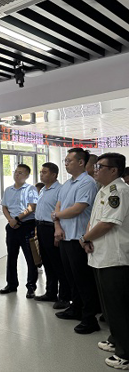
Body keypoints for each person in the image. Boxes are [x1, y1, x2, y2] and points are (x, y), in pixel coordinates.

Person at [81, 153, 129, 370]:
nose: (95, 169)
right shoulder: (104, 189)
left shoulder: (119, 191)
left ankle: (125, 354)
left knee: (118, 307)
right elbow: (94, 221)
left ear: (114, 170)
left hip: (114, 258)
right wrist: (87, 238)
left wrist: (85, 238)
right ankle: (115, 339)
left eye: (100, 166)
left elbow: (108, 223)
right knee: (108, 306)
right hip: (100, 255)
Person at [52, 147, 100, 334]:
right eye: (65, 160)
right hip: (65, 237)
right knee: (71, 278)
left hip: (79, 239)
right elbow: (58, 205)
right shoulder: (67, 184)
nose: (65, 164)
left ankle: (89, 319)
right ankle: (75, 308)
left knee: (83, 280)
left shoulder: (87, 183)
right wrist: (57, 226)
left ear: (81, 162)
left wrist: (57, 215)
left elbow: (78, 208)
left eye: (69, 160)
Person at [34, 162, 71, 309]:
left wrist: (57, 231)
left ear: (54, 175)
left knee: (58, 264)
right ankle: (51, 292)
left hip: (52, 229)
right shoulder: (43, 189)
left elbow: (61, 212)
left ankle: (64, 297)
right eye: (41, 172)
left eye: (44, 172)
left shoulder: (60, 190)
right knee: (47, 262)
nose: (41, 174)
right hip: (41, 227)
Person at [0, 164, 39, 298]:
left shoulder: (31, 189)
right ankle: (11, 284)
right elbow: (4, 207)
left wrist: (17, 219)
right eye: (16, 172)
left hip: (26, 225)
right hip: (12, 226)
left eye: (20, 173)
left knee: (30, 257)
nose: (17, 174)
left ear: (27, 175)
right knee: (11, 256)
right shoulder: (8, 190)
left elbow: (32, 207)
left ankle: (31, 286)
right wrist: (11, 220)